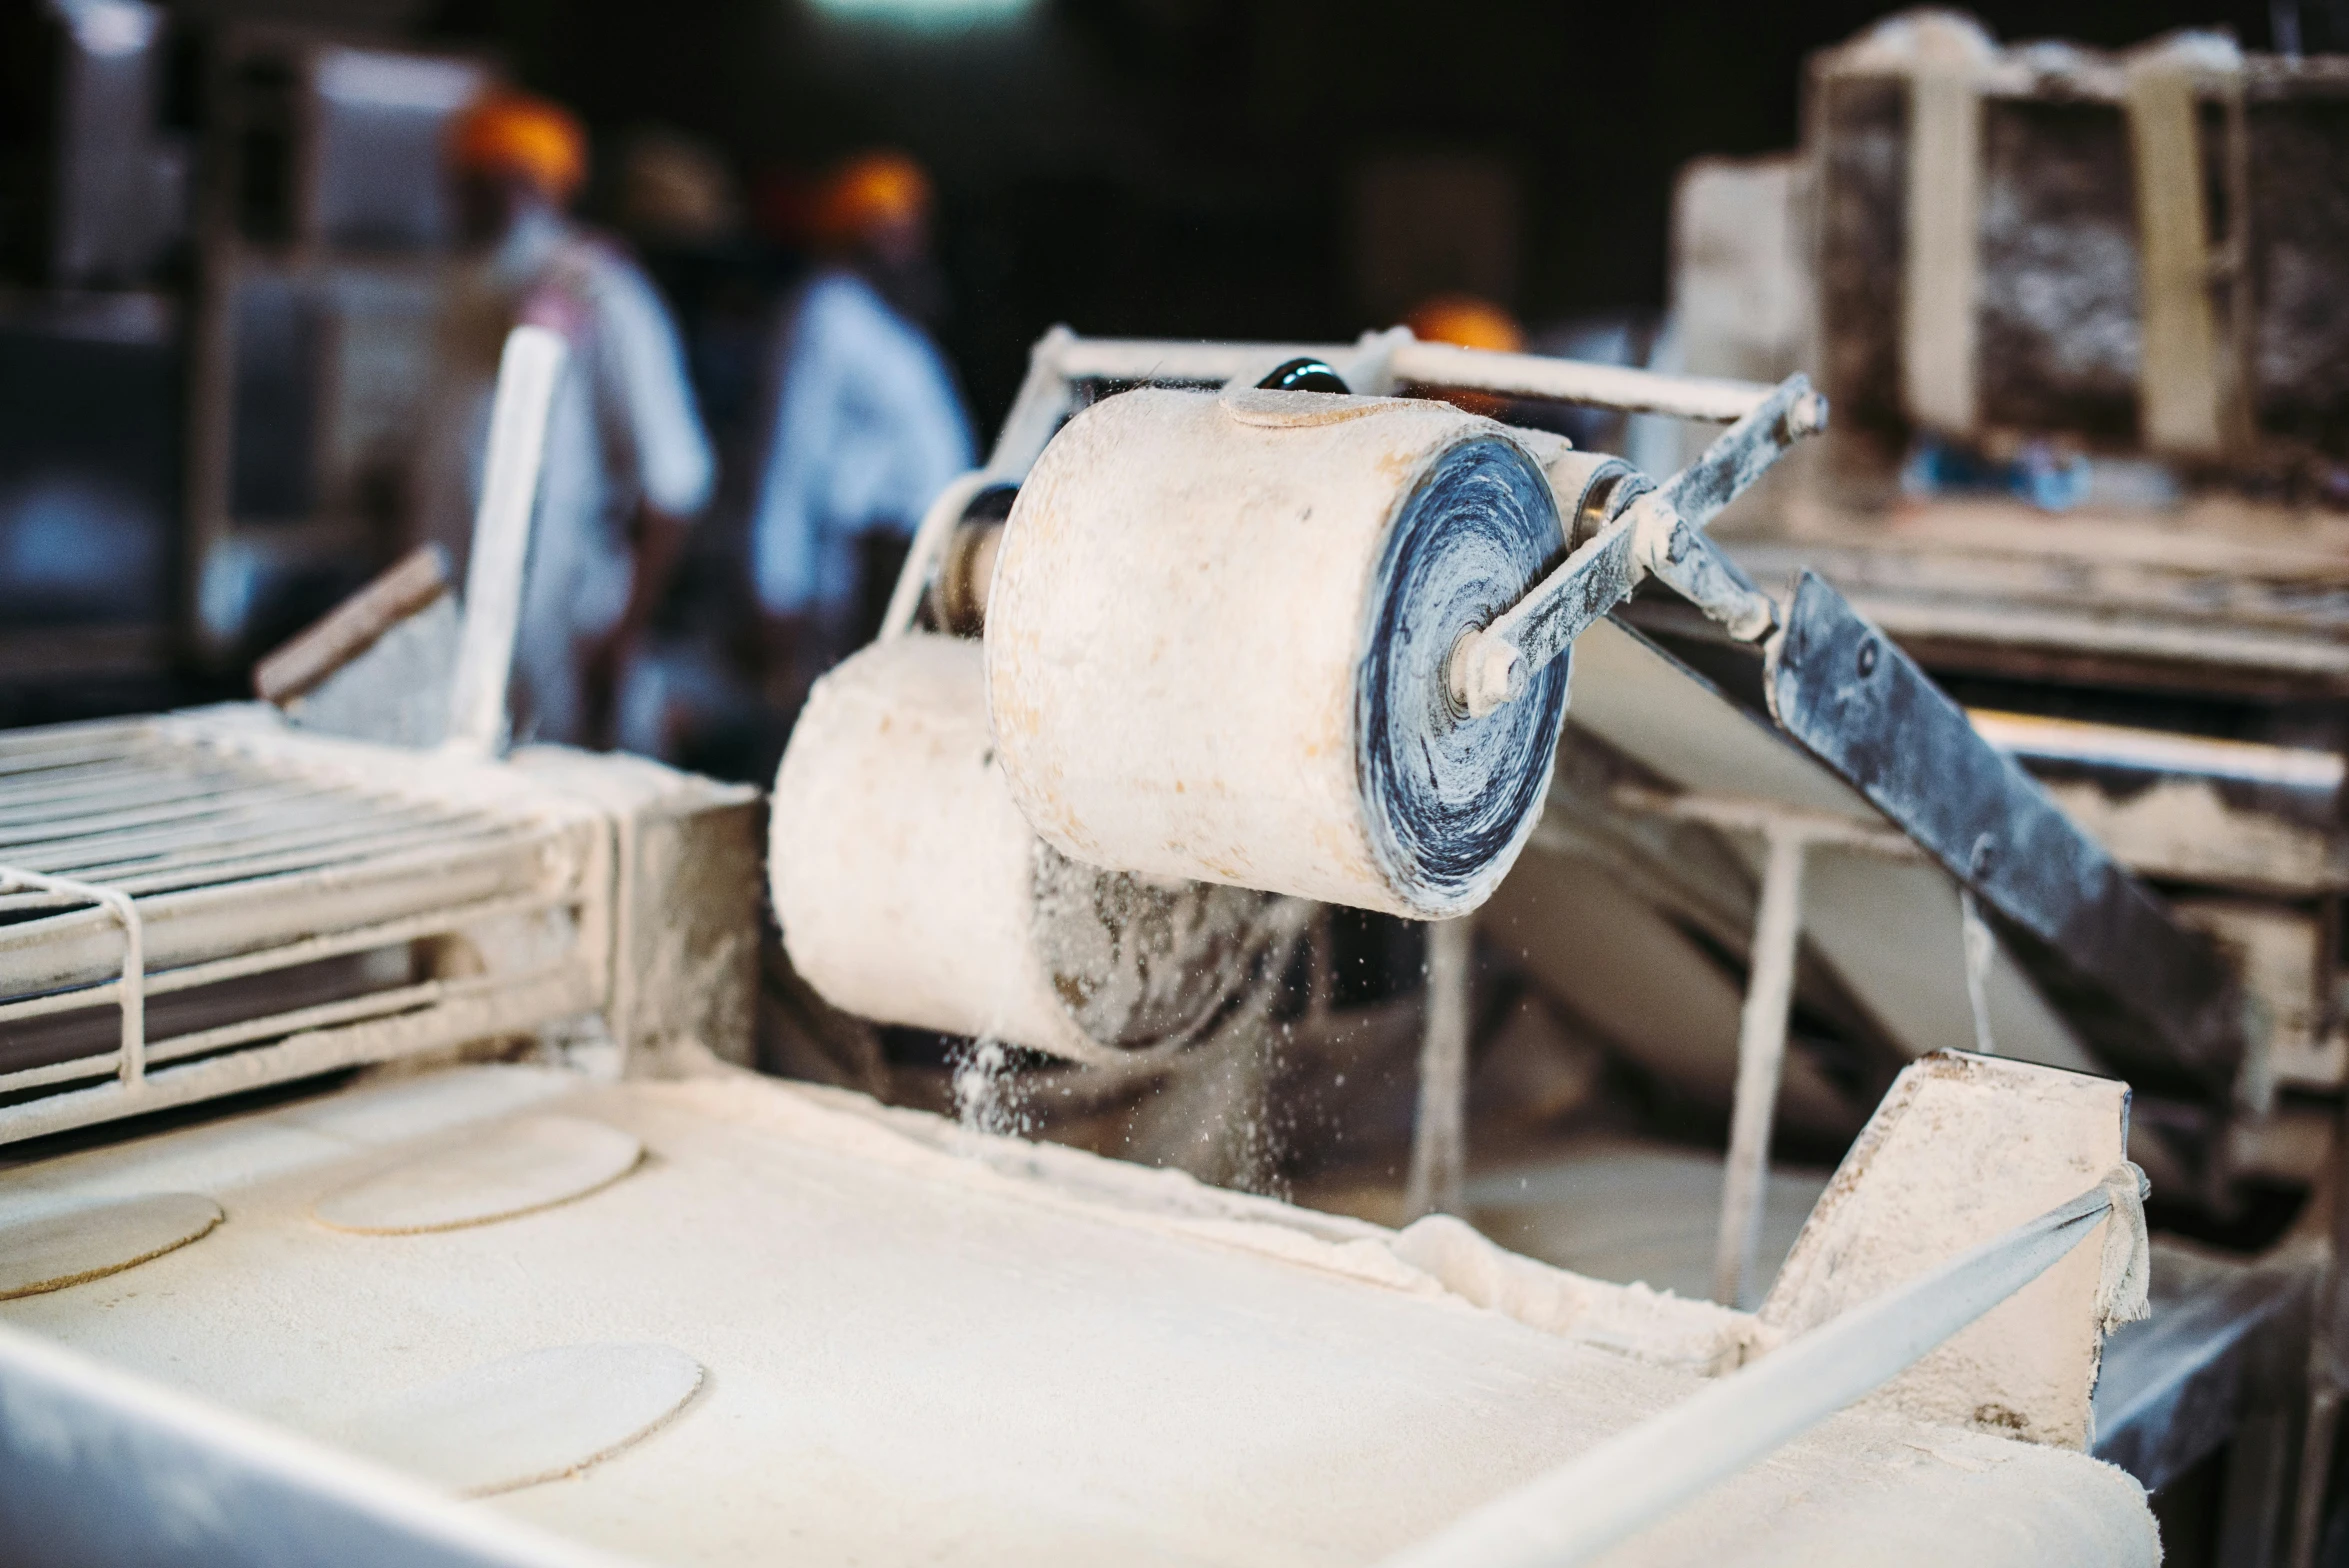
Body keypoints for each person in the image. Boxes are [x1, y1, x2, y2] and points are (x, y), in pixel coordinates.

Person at [417, 90, 716, 748]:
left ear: (523, 184)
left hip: (563, 641)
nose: (455, 202)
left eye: (473, 184)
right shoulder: (463, 290)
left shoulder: (599, 288)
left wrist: (619, 641)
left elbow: (673, 483)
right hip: (464, 644)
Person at [749, 151, 974, 714]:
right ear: (853, 234)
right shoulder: (829, 313)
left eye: (910, 227)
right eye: (887, 228)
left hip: (914, 567)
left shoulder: (891, 318)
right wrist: (777, 586)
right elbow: (791, 451)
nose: (906, 242)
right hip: (855, 579)